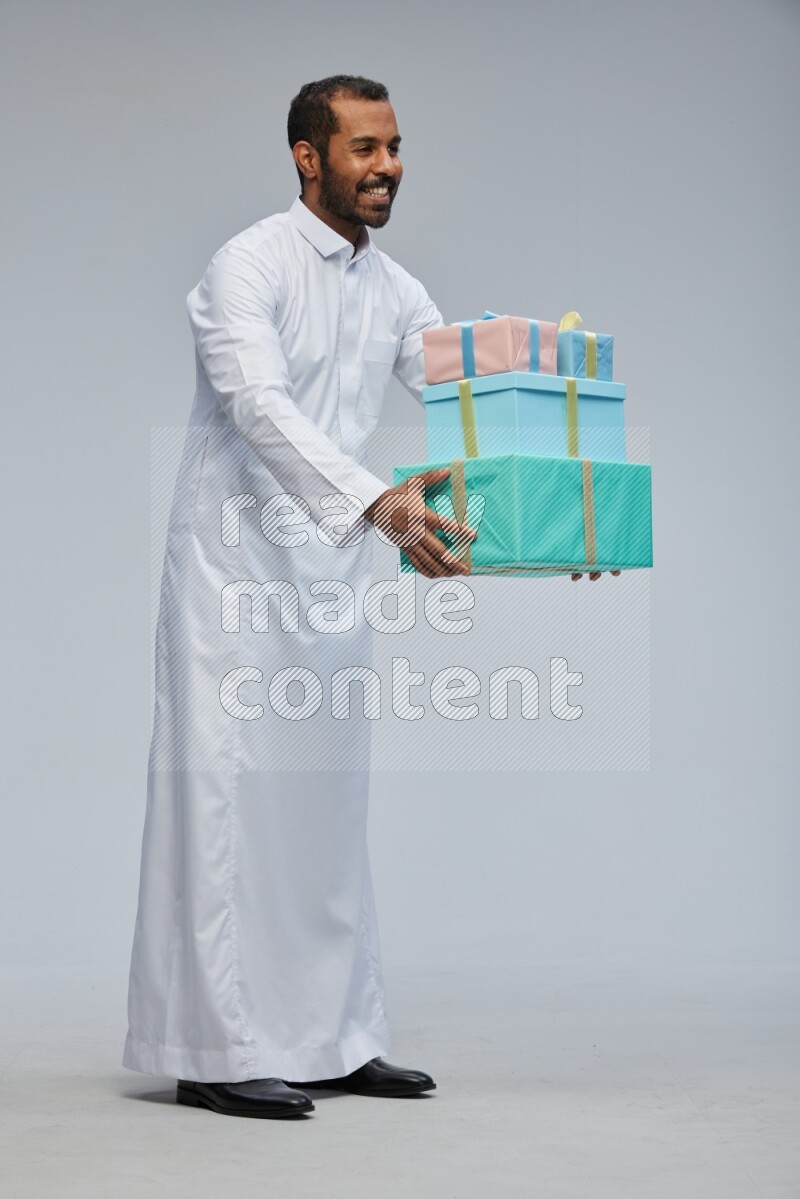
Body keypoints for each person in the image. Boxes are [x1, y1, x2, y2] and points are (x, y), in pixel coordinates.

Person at [122, 74, 478, 1121]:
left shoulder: (395, 288)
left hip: (332, 575)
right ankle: (214, 1047)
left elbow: (468, 396)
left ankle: (335, 1036)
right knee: (226, 806)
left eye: (394, 146)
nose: (387, 167)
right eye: (365, 148)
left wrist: (562, 524)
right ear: (307, 157)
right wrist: (377, 501)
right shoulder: (247, 265)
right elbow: (258, 405)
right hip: (233, 575)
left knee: (326, 808)